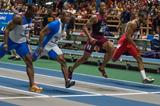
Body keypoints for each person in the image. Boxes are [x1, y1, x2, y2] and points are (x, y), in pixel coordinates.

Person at [0, 5, 43, 92]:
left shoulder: (31, 18)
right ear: (29, 9)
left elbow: (26, 30)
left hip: (21, 43)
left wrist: (27, 40)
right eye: (33, 12)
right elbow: (7, 30)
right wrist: (5, 43)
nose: (34, 14)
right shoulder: (18, 18)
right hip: (10, 41)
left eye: (35, 12)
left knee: (29, 62)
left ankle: (32, 85)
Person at [68, 2, 114, 79]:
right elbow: (84, 27)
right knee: (85, 58)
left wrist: (108, 33)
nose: (104, 8)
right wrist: (90, 38)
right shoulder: (95, 17)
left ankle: (102, 67)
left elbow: (102, 28)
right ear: (99, 8)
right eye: (102, 7)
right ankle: (71, 69)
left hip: (101, 38)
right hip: (93, 38)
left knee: (111, 48)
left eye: (105, 7)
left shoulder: (105, 16)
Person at [32, 12, 75, 88]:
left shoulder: (64, 25)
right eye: (67, 16)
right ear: (62, 16)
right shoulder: (54, 24)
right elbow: (42, 33)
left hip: (53, 46)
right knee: (31, 60)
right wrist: (41, 46)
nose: (69, 18)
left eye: (69, 17)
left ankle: (67, 82)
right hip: (45, 45)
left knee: (63, 61)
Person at [112, 10, 155, 84]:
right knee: (113, 59)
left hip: (130, 43)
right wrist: (136, 46)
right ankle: (110, 51)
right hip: (124, 42)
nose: (146, 20)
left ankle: (144, 78)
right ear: (140, 17)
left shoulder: (140, 23)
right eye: (145, 18)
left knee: (139, 59)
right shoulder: (133, 23)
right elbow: (128, 36)